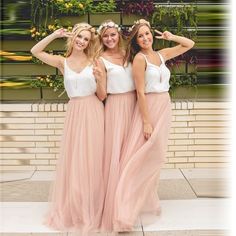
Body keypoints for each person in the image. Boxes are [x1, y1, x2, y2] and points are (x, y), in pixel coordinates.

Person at [113, 19, 195, 231]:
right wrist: (146, 121)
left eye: (147, 34)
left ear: (152, 34)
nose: (145, 38)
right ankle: (125, 209)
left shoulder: (161, 55)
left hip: (164, 106)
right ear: (136, 41)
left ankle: (144, 199)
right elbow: (140, 91)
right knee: (138, 156)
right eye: (140, 36)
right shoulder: (140, 59)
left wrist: (171, 37)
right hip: (149, 107)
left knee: (156, 156)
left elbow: (189, 44)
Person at [30, 23, 105, 233]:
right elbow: (35, 51)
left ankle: (93, 208)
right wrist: (54, 34)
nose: (82, 41)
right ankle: (76, 209)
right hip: (75, 113)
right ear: (73, 38)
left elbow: (102, 95)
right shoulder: (63, 62)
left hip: (94, 111)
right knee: (75, 161)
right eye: (79, 37)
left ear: (90, 43)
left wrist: (99, 80)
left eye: (86, 39)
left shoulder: (95, 61)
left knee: (92, 160)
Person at [94, 20, 136, 232]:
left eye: (112, 34)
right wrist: (100, 80)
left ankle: (130, 201)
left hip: (134, 105)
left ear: (118, 35)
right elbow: (101, 95)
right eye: (105, 36)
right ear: (101, 39)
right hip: (115, 107)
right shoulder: (100, 60)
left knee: (132, 155)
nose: (110, 39)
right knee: (115, 158)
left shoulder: (130, 54)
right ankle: (116, 207)